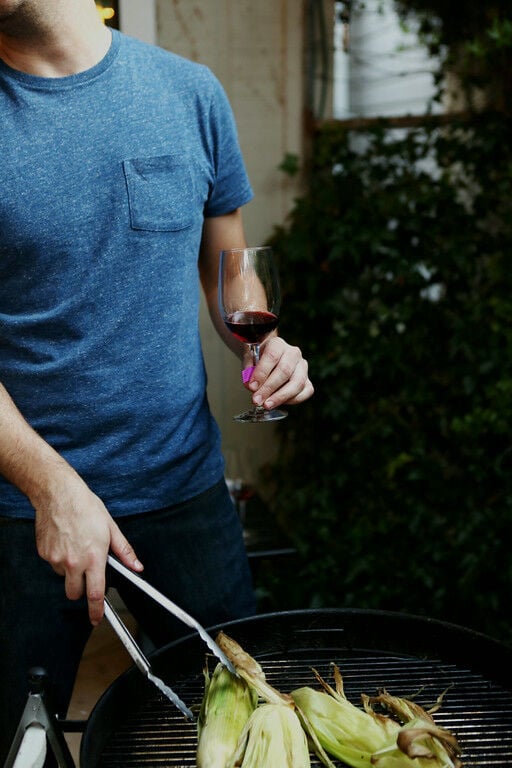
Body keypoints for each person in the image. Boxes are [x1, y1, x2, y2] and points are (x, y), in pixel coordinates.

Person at [0, 0, 314, 760]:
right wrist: (51, 488)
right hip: (23, 518)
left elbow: (227, 271)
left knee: (245, 733)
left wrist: (262, 346)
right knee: (21, 745)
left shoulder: (189, 91)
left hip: (188, 493)